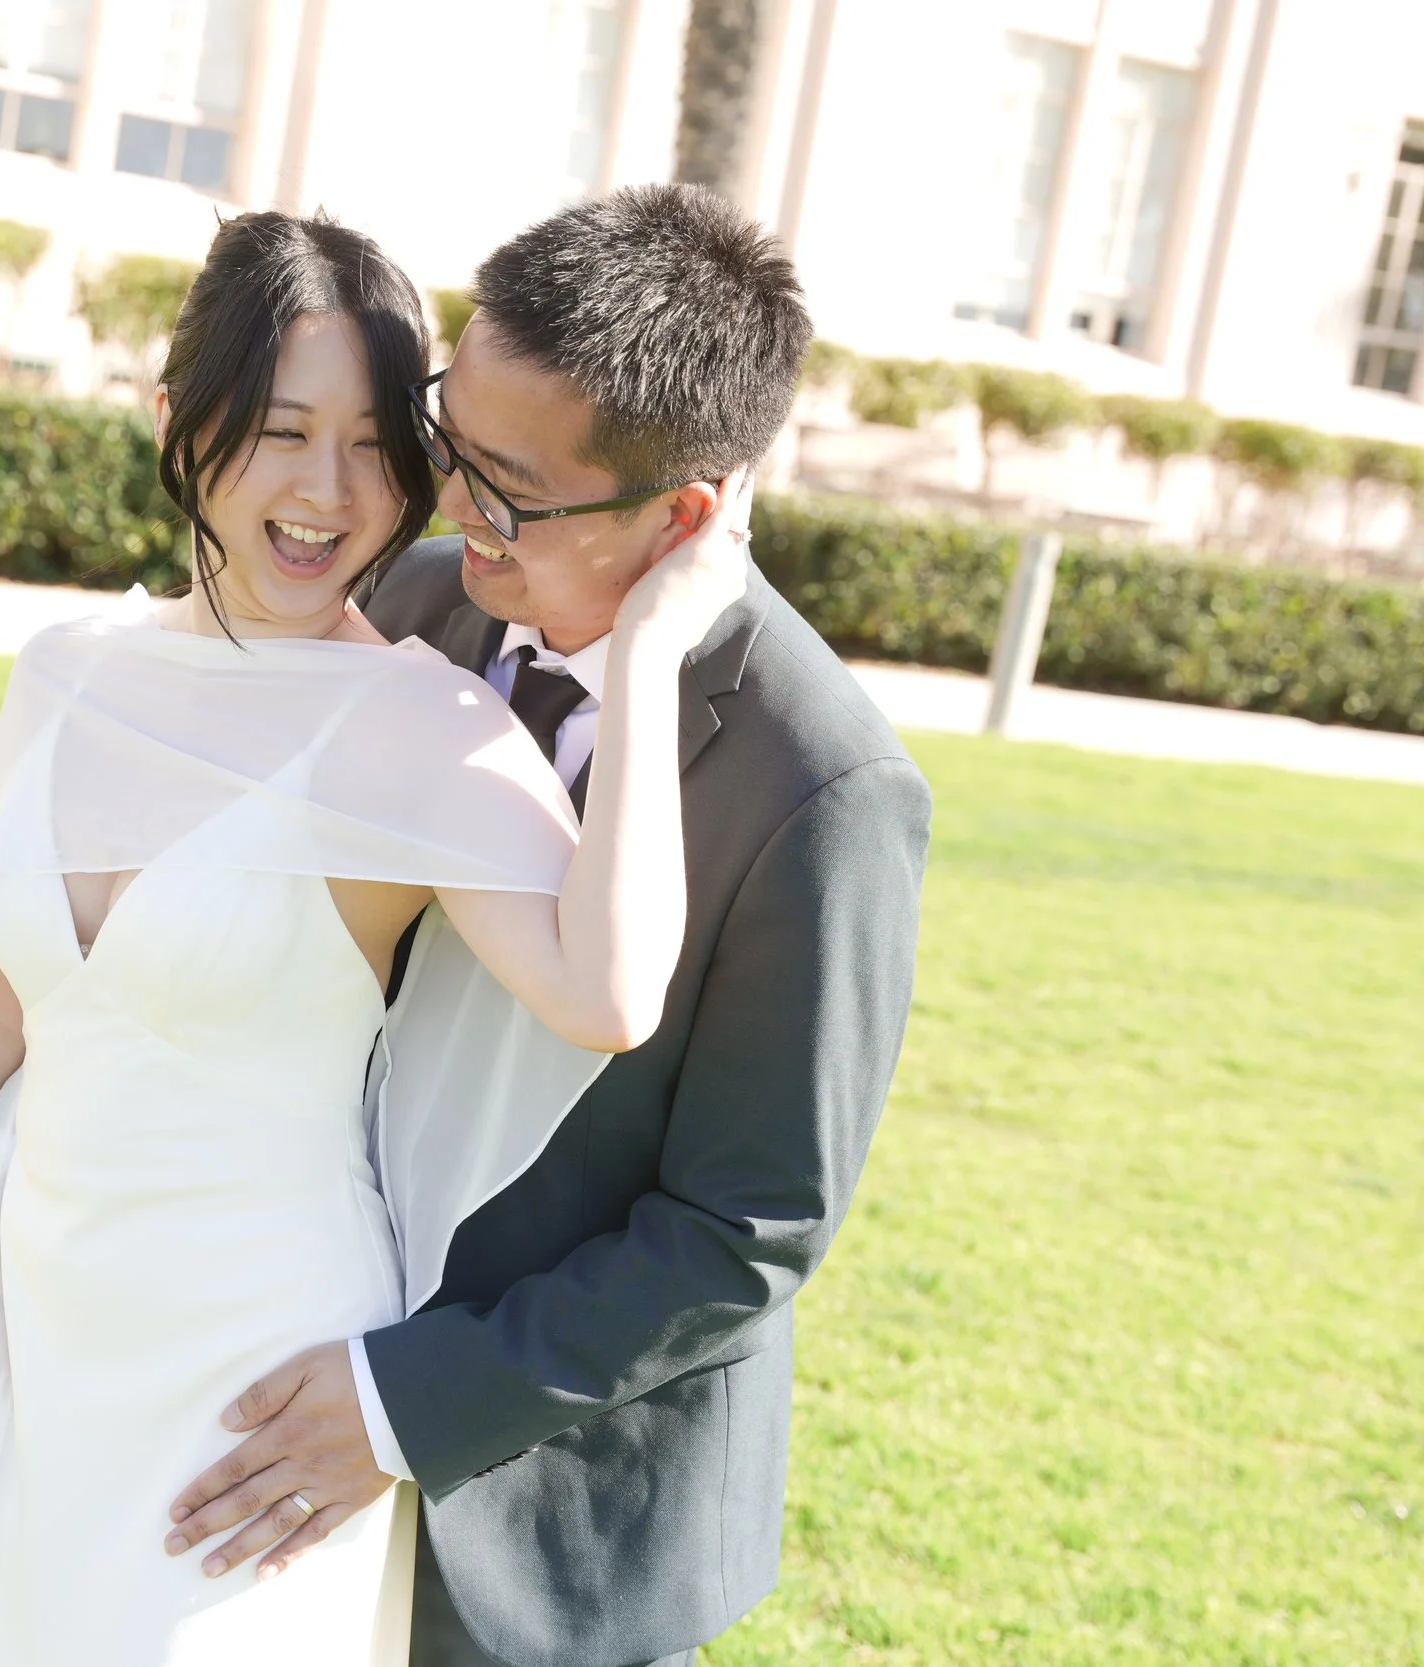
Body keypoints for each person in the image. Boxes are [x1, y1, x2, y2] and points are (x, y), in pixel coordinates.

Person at [0, 207, 751, 1665]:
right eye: (281, 430)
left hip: (242, 1396)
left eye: (378, 445)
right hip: (34, 1343)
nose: (331, 491)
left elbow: (609, 988)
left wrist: (647, 648)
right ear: (177, 424)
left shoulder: (418, 727)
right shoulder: (67, 674)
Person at [162, 186, 933, 1667]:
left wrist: (401, 1404)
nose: (452, 506)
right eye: (453, 444)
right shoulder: (413, 604)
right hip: (266, 1389)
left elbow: (743, 1230)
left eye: (508, 490)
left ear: (684, 515)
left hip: (542, 1541)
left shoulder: (821, 787)